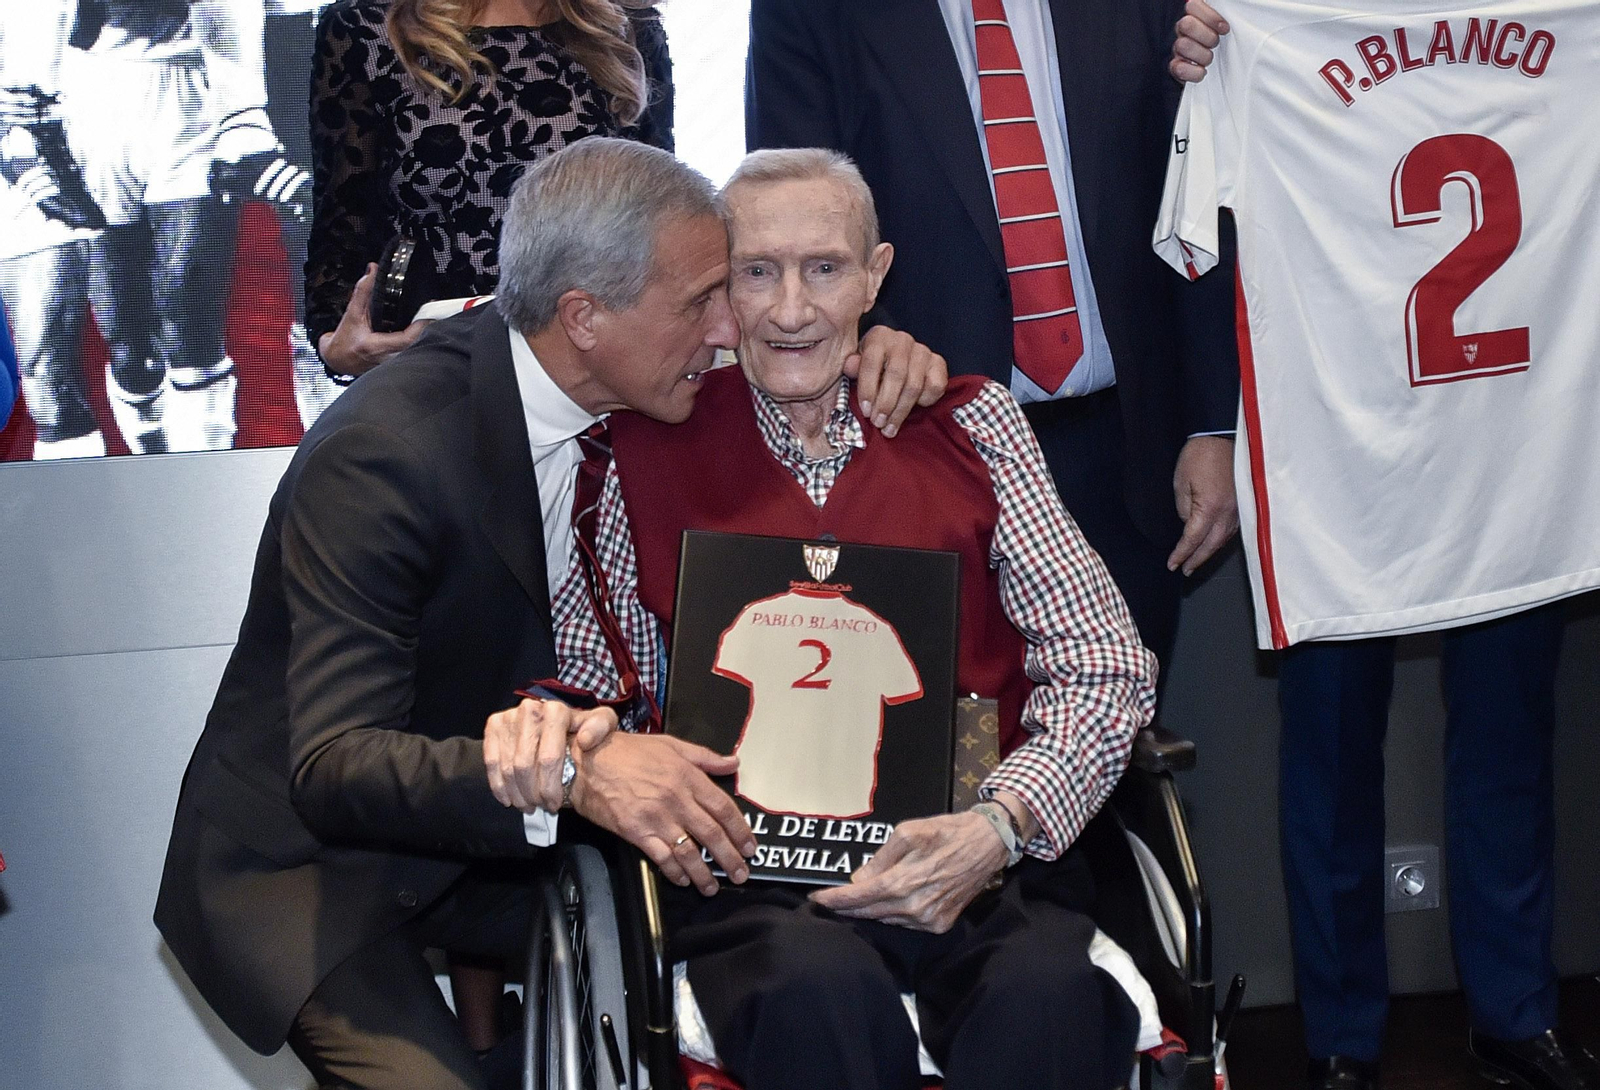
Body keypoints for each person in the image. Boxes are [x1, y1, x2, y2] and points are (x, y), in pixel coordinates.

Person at [154, 137, 945, 1090]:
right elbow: (333, 764)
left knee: (772, 969)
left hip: (512, 844)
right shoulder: (386, 458)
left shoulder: (622, 384)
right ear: (585, 318)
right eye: (701, 302)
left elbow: (797, 362)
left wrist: (882, 344)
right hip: (322, 868)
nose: (728, 332)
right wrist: (575, 773)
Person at [544, 147, 1159, 1090]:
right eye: (757, 272)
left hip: (975, 851)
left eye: (824, 269)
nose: (792, 310)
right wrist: (625, 764)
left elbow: (1105, 662)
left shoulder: (973, 425)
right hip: (754, 878)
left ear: (875, 277)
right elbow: (594, 687)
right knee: (811, 993)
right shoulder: (633, 448)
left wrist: (998, 826)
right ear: (717, 291)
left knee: (1046, 999)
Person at [1166, 6, 1600, 1090]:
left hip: (1511, 440)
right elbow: (1189, 244)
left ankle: (1513, 1010)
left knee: (1507, 738)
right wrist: (1209, 71)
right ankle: (1341, 1035)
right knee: (1328, 751)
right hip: (1337, 453)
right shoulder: (1256, 28)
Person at [743, 0, 1240, 684]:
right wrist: (876, 335)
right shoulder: (811, 12)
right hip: (924, 446)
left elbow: (1200, 195)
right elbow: (791, 216)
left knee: (1111, 733)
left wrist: (1216, 422)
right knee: (926, 743)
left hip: (1126, 456)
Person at [307, 0, 668, 381]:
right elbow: (343, 229)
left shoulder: (628, 27)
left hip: (598, 372)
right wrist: (338, 347)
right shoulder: (365, 28)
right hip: (442, 376)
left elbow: (660, 220)